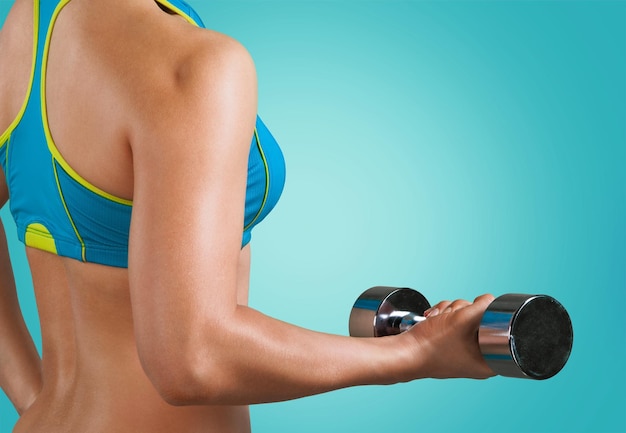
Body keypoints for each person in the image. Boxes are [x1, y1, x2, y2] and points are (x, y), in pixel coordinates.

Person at [0, 0, 495, 431]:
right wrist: (414, 354)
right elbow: (192, 359)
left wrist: (37, 402)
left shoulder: (31, 25)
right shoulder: (193, 63)